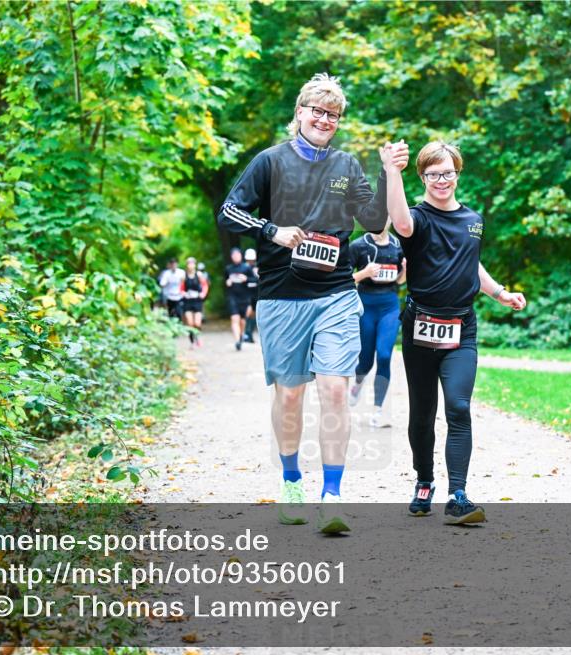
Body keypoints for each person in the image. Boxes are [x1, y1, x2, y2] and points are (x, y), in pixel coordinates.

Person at [217, 73, 408, 533]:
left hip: (336, 293)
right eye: (316, 111)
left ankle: (333, 495)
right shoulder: (269, 162)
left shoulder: (345, 165)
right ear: (300, 113)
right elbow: (227, 213)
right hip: (282, 296)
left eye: (332, 114)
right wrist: (271, 231)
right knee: (290, 395)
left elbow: (376, 222)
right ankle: (291, 481)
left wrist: (390, 173)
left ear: (338, 122)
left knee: (336, 390)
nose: (324, 119)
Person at [383, 139, 526, 525]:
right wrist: (392, 171)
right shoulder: (418, 218)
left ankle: (458, 494)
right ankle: (424, 481)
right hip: (420, 327)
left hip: (462, 328)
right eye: (432, 174)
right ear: (423, 177)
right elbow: (399, 223)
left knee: (459, 407)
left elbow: (471, 266)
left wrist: (500, 293)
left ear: (457, 173)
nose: (440, 180)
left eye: (447, 172)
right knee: (423, 413)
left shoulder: (473, 220)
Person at [349, 220, 406, 428]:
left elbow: (399, 281)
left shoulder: (398, 246)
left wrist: (405, 271)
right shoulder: (358, 246)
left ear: (391, 219)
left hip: (389, 305)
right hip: (366, 305)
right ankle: (357, 383)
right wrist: (364, 273)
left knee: (384, 355)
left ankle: (379, 410)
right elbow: (344, 279)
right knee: (365, 361)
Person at [224, 248, 256, 351]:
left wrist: (246, 279)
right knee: (234, 319)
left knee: (242, 321)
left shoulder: (246, 268)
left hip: (244, 298)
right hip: (233, 297)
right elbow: (225, 281)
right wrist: (228, 282)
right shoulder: (228, 269)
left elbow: (255, 279)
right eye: (234, 255)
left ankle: (241, 335)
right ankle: (237, 341)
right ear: (231, 257)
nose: (236, 257)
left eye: (237, 255)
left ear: (241, 256)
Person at [181, 257, 209, 347]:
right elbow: (181, 288)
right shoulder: (184, 276)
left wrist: (203, 294)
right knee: (190, 323)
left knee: (197, 323)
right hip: (188, 301)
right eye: (189, 264)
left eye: (192, 263)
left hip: (197, 301)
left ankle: (198, 337)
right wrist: (184, 294)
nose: (191, 265)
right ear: (187, 265)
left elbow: (205, 285)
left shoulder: (199, 275)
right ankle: (192, 341)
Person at [243, 248, 259, 343]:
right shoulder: (243, 268)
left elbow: (258, 279)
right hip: (245, 294)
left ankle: (249, 334)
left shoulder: (257, 268)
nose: (250, 262)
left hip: (255, 293)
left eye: (252, 260)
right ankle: (245, 333)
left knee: (253, 314)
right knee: (247, 313)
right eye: (249, 260)